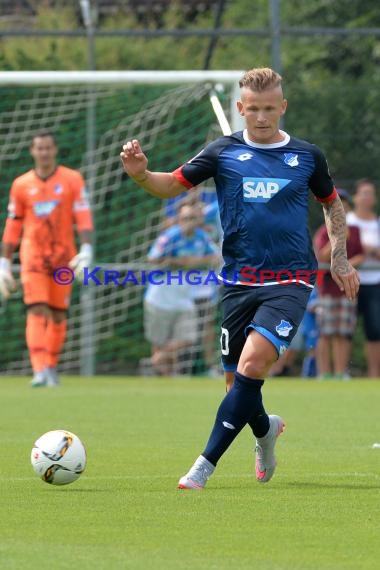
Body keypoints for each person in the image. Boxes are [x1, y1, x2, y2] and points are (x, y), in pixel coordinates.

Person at [120, 67, 359, 490]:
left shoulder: (306, 155)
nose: (262, 117)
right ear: (240, 108)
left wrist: (339, 257)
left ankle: (203, 466)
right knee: (237, 384)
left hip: (290, 280)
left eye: (270, 109)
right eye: (254, 110)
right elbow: (170, 186)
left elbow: (332, 204)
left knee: (252, 364)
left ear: (282, 107)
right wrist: (141, 174)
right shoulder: (222, 152)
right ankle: (265, 430)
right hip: (237, 283)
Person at [0, 131, 93, 387]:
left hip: (64, 258)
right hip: (33, 259)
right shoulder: (21, 184)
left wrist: (86, 248)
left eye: (48, 148)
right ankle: (39, 369)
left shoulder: (72, 179)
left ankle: (50, 366)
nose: (44, 152)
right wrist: (4, 262)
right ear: (32, 151)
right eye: (39, 148)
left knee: (58, 315)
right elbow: (13, 225)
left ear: (55, 150)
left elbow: (82, 216)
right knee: (37, 308)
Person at [144, 203, 219, 376]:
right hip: (160, 296)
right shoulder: (170, 237)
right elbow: (153, 259)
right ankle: (162, 374)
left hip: (184, 295)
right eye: (185, 218)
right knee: (159, 340)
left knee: (188, 338)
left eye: (192, 218)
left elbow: (216, 256)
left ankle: (156, 361)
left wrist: (195, 261)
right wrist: (176, 261)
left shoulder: (202, 237)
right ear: (178, 220)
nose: (189, 222)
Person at [314, 188, 364, 379]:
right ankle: (324, 373)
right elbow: (321, 257)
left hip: (347, 288)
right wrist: (337, 239)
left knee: (343, 333)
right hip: (327, 289)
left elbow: (361, 255)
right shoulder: (322, 231)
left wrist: (346, 266)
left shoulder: (355, 231)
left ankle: (340, 372)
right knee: (325, 333)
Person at [346, 179, 380, 378]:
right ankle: (343, 372)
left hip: (374, 282)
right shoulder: (347, 220)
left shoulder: (377, 222)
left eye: (371, 193)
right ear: (356, 197)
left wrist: (371, 250)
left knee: (375, 330)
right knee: (345, 329)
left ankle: (374, 375)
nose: (367, 197)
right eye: (364, 193)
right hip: (349, 281)